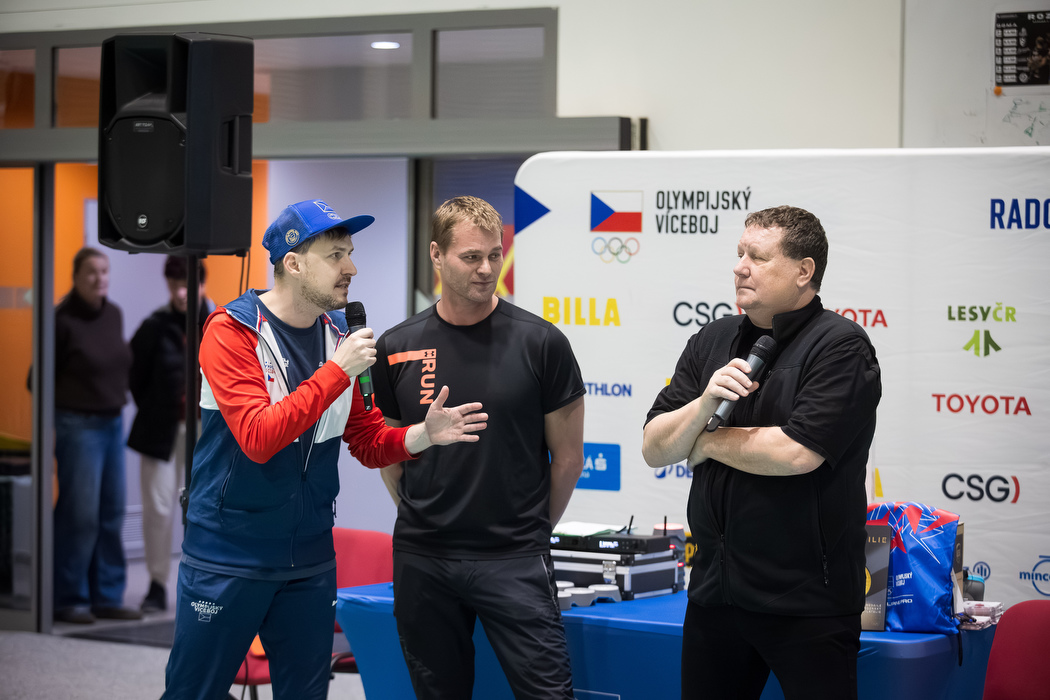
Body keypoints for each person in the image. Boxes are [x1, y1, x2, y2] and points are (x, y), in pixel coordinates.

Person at [162, 199, 488, 700]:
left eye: (350, 254)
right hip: (229, 556)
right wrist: (336, 372)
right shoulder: (232, 332)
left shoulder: (338, 336)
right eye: (337, 255)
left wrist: (424, 434)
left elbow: (368, 441)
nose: (351, 268)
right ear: (293, 264)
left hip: (310, 557)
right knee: (194, 694)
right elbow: (258, 438)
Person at [641, 205, 882, 700]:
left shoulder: (840, 346)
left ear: (803, 270)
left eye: (757, 256)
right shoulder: (712, 339)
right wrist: (704, 404)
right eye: (739, 254)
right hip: (714, 595)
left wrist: (705, 441)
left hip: (807, 603)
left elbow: (797, 452)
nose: (740, 267)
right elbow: (654, 446)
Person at [372, 195, 585, 700]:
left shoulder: (541, 343)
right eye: (471, 257)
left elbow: (569, 459)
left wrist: (531, 531)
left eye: (494, 255)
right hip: (424, 558)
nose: (487, 269)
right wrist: (421, 514)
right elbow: (389, 450)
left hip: (514, 556)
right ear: (436, 254)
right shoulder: (396, 347)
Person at [52, 247, 142, 624]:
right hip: (78, 426)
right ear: (75, 277)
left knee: (111, 513)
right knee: (80, 515)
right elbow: (37, 379)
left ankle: (106, 596)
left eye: (104, 271)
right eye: (91, 272)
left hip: (111, 424)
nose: (99, 278)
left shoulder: (113, 313)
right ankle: (68, 598)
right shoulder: (61, 319)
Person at [127, 255, 211, 613]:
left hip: (206, 430)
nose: (181, 293)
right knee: (159, 509)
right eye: (174, 285)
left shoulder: (220, 322)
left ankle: (204, 581)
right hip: (160, 431)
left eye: (187, 285)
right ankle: (157, 583)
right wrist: (160, 407)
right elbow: (135, 377)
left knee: (205, 507)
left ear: (202, 284)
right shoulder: (154, 326)